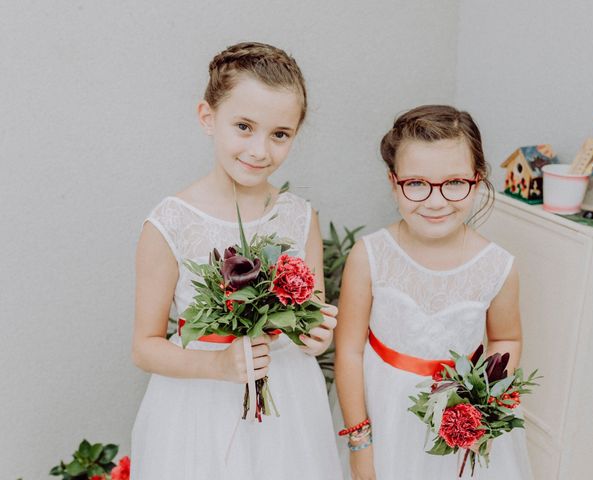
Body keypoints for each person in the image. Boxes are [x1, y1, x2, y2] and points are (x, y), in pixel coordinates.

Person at [131, 42, 341, 480]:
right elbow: (145, 346)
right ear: (208, 117)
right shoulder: (171, 222)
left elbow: (310, 323)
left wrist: (315, 336)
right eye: (244, 126)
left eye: (279, 134)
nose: (260, 150)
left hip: (287, 404)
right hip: (198, 404)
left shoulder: (300, 217)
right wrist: (218, 365)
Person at [334, 105, 532, 479]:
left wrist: (484, 409)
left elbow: (506, 338)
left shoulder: (498, 266)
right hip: (383, 411)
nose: (436, 201)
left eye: (455, 183)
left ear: (478, 178)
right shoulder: (369, 255)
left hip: (459, 419)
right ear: (394, 182)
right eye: (416, 183)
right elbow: (349, 350)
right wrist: (360, 442)